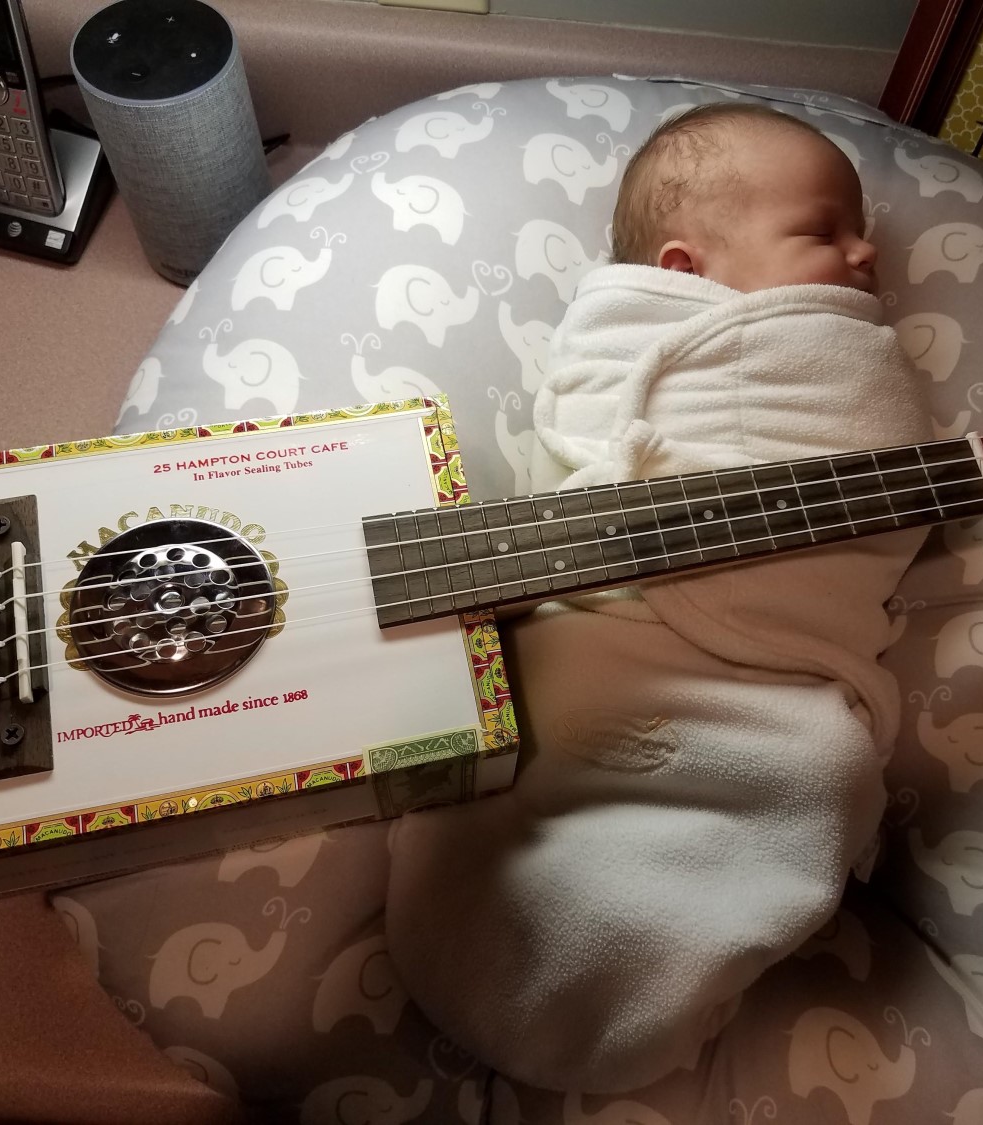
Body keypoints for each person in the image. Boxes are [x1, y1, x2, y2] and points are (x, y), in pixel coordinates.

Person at [385, 102, 932, 1094]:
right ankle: (505, 916)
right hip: (614, 639)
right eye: (823, 231)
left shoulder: (853, 378)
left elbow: (887, 508)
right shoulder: (630, 344)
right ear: (680, 276)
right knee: (542, 698)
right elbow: (592, 426)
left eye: (862, 235)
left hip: (778, 674)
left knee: (828, 765)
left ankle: (671, 956)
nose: (865, 256)